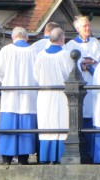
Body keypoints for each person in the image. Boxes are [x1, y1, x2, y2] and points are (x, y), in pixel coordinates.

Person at [0, 27, 38, 165]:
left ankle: (7, 158)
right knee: (26, 125)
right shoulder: (34, 51)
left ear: (13, 37)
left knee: (9, 125)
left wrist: (6, 80)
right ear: (27, 38)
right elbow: (37, 73)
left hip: (10, 95)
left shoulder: (6, 50)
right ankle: (23, 157)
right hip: (28, 95)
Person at [34, 28, 74, 164]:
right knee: (60, 123)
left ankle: (45, 157)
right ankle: (59, 156)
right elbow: (72, 75)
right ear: (62, 39)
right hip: (61, 94)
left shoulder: (40, 55)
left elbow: (36, 76)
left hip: (44, 94)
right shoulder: (66, 55)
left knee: (47, 125)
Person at [65, 16, 100, 137]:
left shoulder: (95, 42)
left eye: (89, 25)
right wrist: (83, 65)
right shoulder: (71, 44)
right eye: (85, 26)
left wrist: (92, 64)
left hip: (93, 82)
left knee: (92, 110)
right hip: (79, 83)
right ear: (78, 29)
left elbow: (99, 61)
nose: (88, 28)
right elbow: (69, 63)